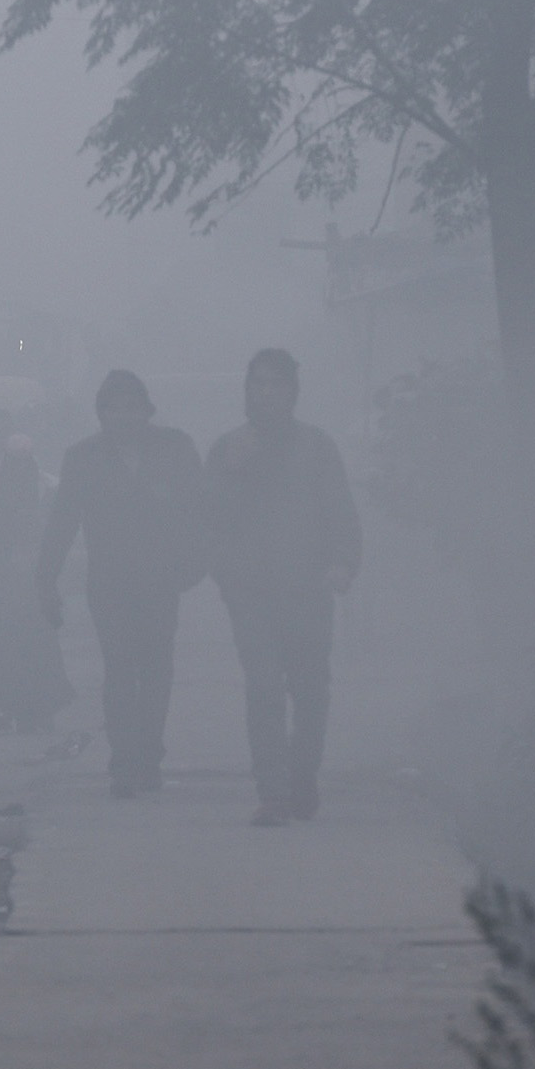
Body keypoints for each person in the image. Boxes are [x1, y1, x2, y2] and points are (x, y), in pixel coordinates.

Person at [205, 349, 361, 825]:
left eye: (276, 384)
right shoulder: (227, 448)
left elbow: (340, 510)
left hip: (308, 587)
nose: (266, 393)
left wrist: (341, 563)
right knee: (265, 687)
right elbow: (209, 519)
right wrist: (226, 576)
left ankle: (302, 777)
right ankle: (273, 791)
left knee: (311, 689)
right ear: (246, 390)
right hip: (251, 591)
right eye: (258, 384)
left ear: (293, 392)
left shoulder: (317, 446)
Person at [38, 370, 208, 796]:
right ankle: (124, 757)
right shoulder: (83, 458)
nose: (126, 417)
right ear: (101, 414)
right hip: (109, 582)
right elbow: (63, 521)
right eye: (116, 408)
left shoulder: (175, 449)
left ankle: (148, 754)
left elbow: (200, 512)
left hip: (160, 579)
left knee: (154, 669)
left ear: (147, 410)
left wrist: (194, 564)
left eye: (134, 407)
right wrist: (46, 578)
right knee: (118, 668)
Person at [0, 436, 72, 732]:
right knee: (2, 645)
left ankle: (38, 708)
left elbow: (57, 532)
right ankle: (6, 705)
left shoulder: (48, 488)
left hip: (33, 581)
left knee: (34, 646)